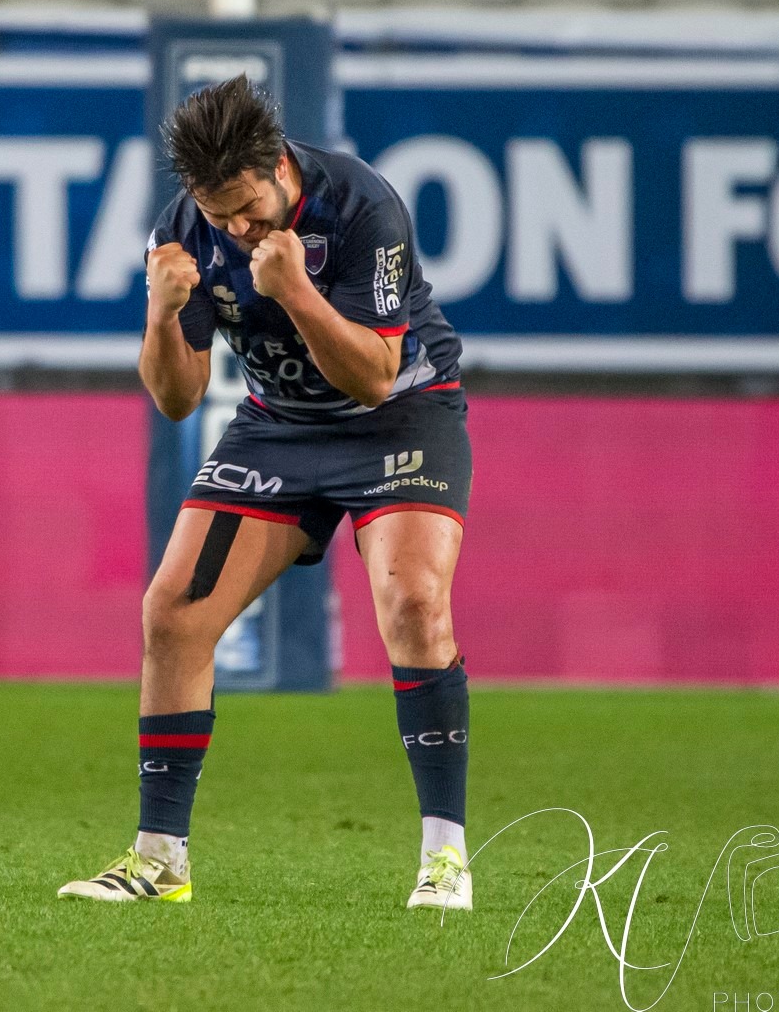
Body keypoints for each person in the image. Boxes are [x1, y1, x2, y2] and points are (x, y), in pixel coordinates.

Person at [57, 75, 473, 910]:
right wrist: (160, 313)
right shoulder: (183, 231)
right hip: (279, 427)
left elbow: (373, 376)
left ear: (278, 166)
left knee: (416, 604)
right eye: (219, 216)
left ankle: (445, 858)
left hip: (400, 419)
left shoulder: (362, 206)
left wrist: (295, 290)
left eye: (248, 207)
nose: (237, 228)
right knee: (172, 610)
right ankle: (159, 859)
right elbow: (178, 398)